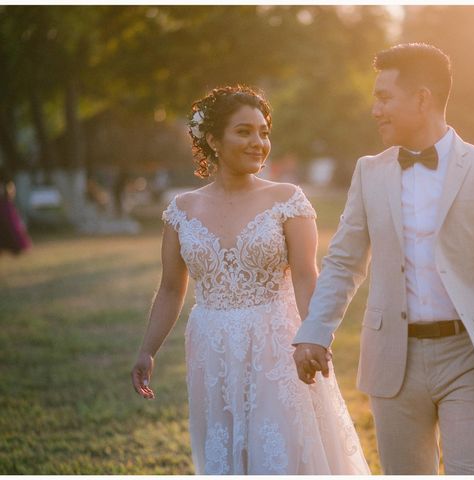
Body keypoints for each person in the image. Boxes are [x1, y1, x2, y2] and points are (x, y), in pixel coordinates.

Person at [292, 43, 474, 474]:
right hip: (393, 358)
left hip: (470, 357)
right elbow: (343, 262)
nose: (375, 110)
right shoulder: (369, 172)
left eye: (384, 97)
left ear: (423, 99)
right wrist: (314, 330)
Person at [130, 85, 369, 475]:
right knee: (226, 454)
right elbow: (172, 288)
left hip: (278, 343)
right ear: (213, 140)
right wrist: (147, 350)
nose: (259, 142)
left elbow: (308, 275)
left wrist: (315, 336)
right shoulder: (181, 209)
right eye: (244, 131)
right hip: (211, 346)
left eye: (263, 132)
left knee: (281, 451)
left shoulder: (287, 199)